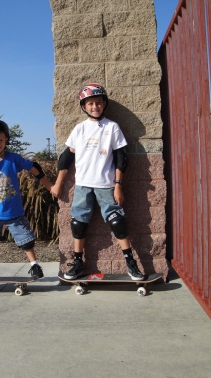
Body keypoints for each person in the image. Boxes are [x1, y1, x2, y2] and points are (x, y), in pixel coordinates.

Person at [51, 83, 144, 281]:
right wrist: (58, 183)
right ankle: (78, 262)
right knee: (78, 223)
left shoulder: (112, 127)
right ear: (84, 106)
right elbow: (66, 157)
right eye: (90, 103)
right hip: (83, 184)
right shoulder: (80, 129)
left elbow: (121, 158)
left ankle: (130, 262)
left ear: (104, 104)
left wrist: (118, 185)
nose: (95, 106)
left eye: (98, 103)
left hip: (106, 184)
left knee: (117, 221)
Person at [0, 119, 52, 282]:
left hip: (14, 211)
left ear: (6, 140)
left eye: (1, 140)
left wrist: (49, 186)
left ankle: (34, 265)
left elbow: (34, 168)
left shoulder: (13, 159)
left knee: (25, 240)